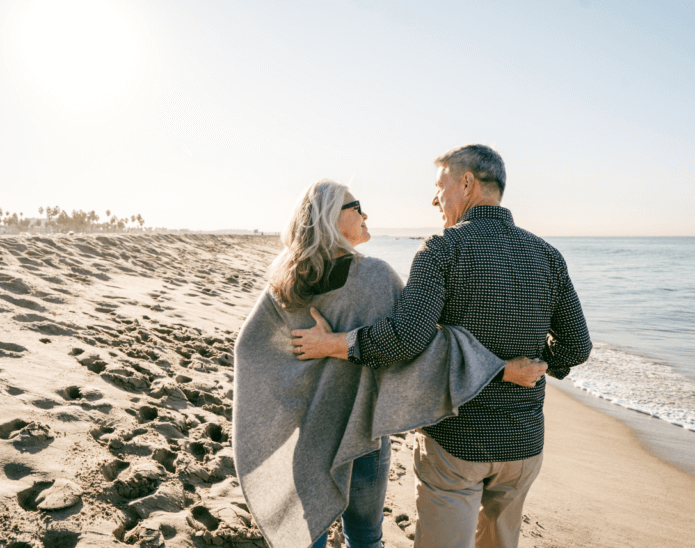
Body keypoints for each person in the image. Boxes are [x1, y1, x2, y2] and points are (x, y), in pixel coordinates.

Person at [291, 145, 592, 548]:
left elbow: (406, 338)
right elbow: (577, 346)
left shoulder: (443, 249)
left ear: (466, 183)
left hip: (456, 442)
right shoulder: (548, 255)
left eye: (440, 185)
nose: (435, 197)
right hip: (523, 444)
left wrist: (334, 344)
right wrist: (539, 364)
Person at [234, 179, 544, 548]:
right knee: (365, 537)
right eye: (356, 206)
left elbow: (250, 350)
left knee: (308, 535)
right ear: (330, 217)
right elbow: (421, 345)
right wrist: (502, 368)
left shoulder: (286, 278)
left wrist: (295, 388)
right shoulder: (374, 276)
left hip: (309, 431)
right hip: (362, 431)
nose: (365, 214)